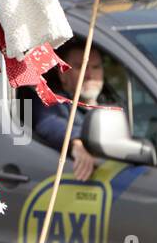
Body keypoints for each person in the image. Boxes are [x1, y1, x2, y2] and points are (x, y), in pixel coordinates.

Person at [31, 39, 111, 182]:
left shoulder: (113, 103)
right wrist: (76, 142)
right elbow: (48, 123)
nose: (89, 75)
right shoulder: (53, 100)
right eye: (80, 67)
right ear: (62, 74)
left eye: (96, 67)